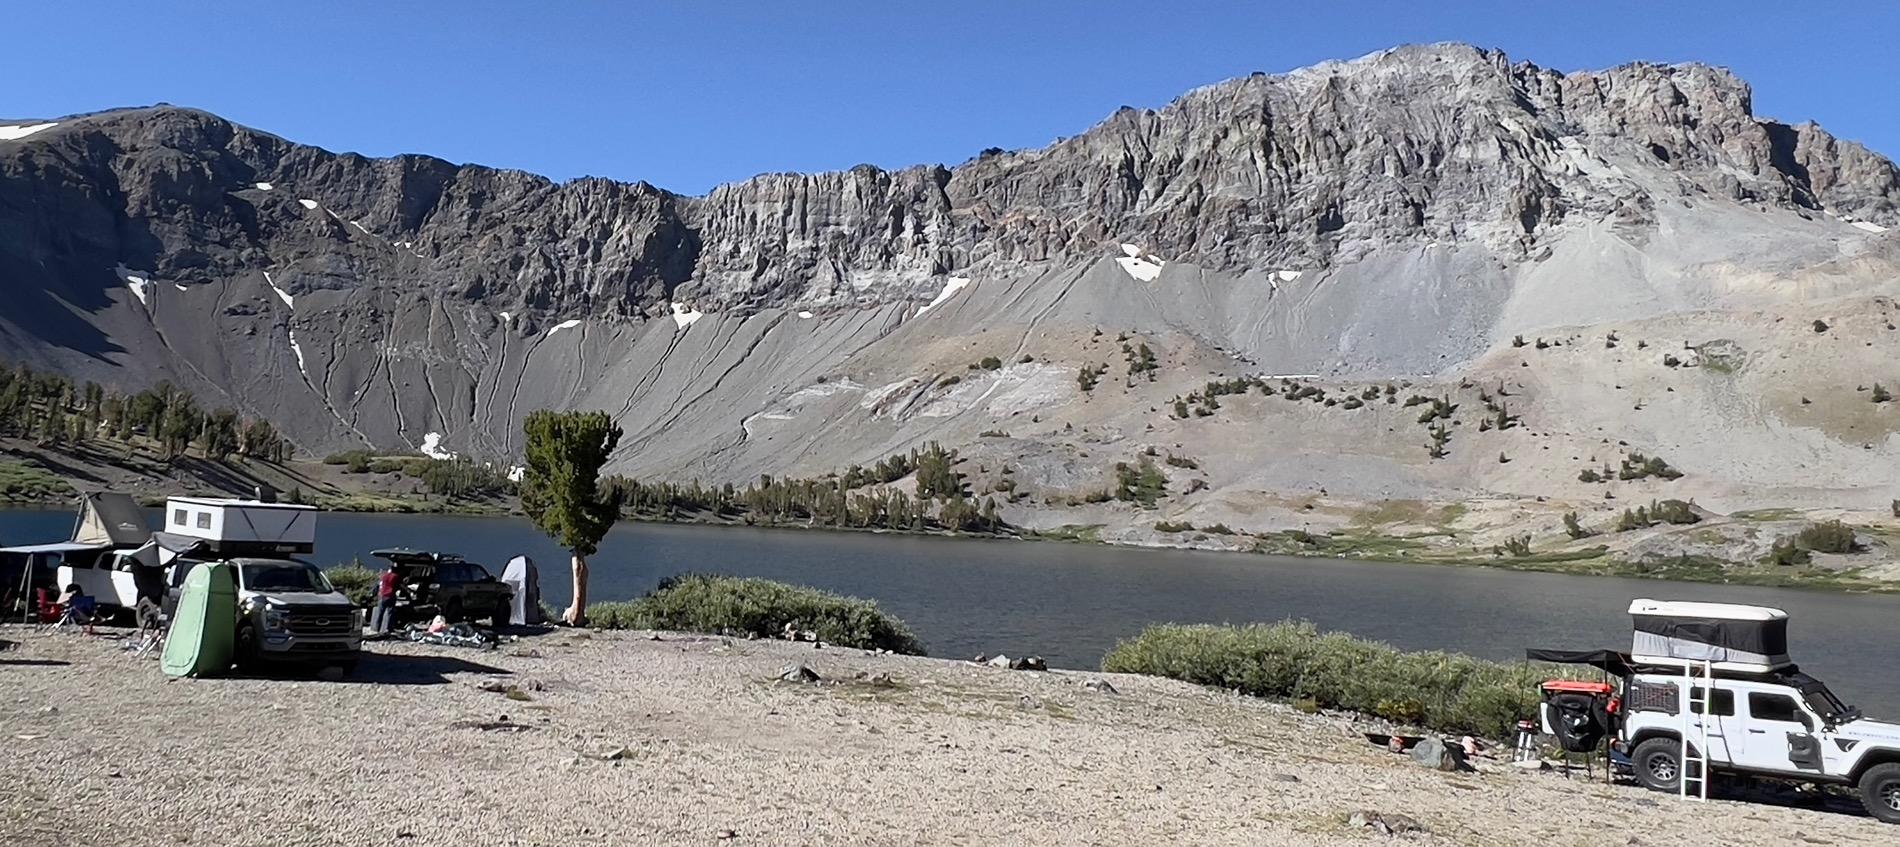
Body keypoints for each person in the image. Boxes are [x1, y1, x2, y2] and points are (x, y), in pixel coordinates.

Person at [370, 568, 399, 635]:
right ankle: (389, 629)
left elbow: (378, 585)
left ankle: (377, 628)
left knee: (380, 613)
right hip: (391, 596)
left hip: (382, 596)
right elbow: (397, 586)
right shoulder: (395, 576)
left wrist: (373, 594)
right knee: (390, 613)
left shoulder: (383, 576)